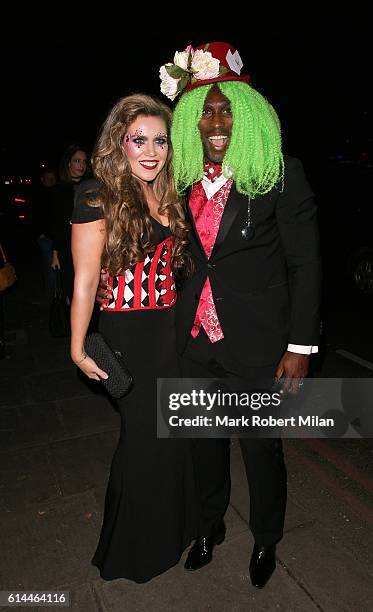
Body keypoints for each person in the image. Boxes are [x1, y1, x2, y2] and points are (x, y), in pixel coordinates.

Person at [158, 42, 322, 589]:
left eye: (227, 107)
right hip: (195, 342)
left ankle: (266, 539)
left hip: (256, 343)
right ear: (189, 121)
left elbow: (306, 263)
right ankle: (209, 528)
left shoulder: (279, 175)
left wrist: (300, 346)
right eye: (205, 109)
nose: (217, 119)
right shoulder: (176, 180)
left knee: (259, 450)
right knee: (203, 445)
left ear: (247, 115)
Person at [70, 93, 197, 583]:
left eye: (159, 140)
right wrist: (77, 346)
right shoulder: (95, 193)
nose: (150, 150)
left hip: (169, 330)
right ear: (118, 143)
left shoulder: (165, 192)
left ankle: (172, 532)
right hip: (127, 333)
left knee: (171, 437)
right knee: (143, 440)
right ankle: (130, 550)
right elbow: (85, 280)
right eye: (138, 139)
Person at [50, 144, 89, 303]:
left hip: (89, 247)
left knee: (88, 290)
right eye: (77, 161)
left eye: (84, 161)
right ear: (68, 164)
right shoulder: (59, 190)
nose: (81, 165)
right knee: (72, 291)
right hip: (68, 248)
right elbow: (57, 224)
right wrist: (55, 254)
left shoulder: (90, 187)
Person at [33, 166, 57, 299]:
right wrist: (40, 233)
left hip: (57, 236)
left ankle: (56, 293)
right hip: (46, 238)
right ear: (43, 180)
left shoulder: (57, 193)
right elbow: (35, 216)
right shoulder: (39, 195)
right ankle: (52, 294)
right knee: (49, 266)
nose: (51, 181)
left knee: (56, 266)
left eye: (52, 178)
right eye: (48, 179)